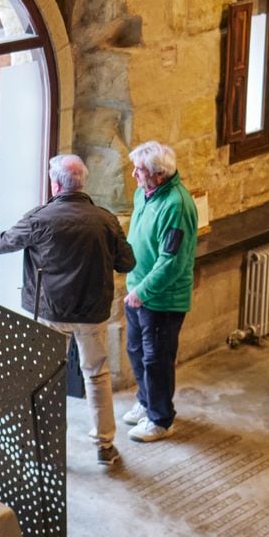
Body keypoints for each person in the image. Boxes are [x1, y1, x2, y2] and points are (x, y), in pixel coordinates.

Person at [0, 153, 134, 463]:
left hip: (50, 313)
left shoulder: (40, 218)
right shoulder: (106, 220)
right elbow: (127, 261)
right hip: (93, 313)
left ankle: (46, 447)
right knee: (97, 376)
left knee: (45, 378)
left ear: (56, 184)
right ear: (82, 182)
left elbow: (0, 244)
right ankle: (105, 445)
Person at [122, 140, 198, 443]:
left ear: (159, 175)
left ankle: (161, 419)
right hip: (137, 292)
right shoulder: (145, 193)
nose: (133, 175)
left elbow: (172, 261)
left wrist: (143, 290)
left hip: (161, 299)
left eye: (139, 170)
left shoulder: (176, 206)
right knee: (136, 351)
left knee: (157, 360)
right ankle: (145, 401)